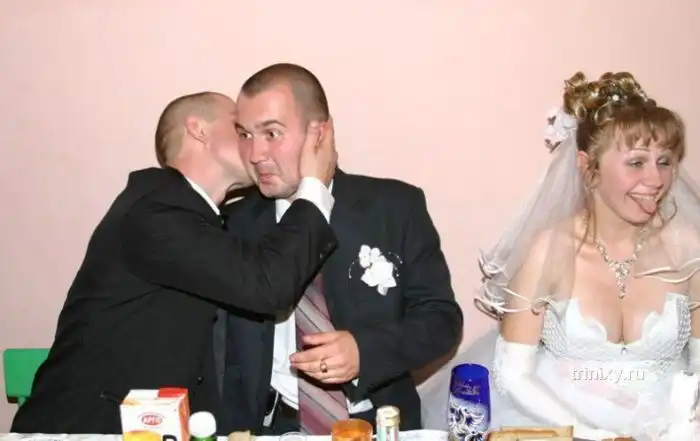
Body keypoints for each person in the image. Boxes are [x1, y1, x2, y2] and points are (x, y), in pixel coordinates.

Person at [11, 91, 339, 434]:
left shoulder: (190, 217)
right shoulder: (155, 213)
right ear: (199, 130)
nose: (254, 145)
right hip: (83, 429)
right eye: (241, 130)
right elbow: (268, 286)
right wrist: (314, 187)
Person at [420, 72, 700, 440]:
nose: (656, 179)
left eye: (664, 161)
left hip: (671, 423)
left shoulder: (688, 247)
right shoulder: (549, 249)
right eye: (636, 163)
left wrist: (681, 422)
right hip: (560, 420)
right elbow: (515, 375)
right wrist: (591, 435)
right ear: (587, 167)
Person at [218, 63, 464, 436]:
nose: (254, 154)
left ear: (319, 133)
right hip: (271, 426)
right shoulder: (234, 224)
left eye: (272, 133)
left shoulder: (394, 208)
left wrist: (365, 352)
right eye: (245, 134)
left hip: (378, 423)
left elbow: (441, 320)